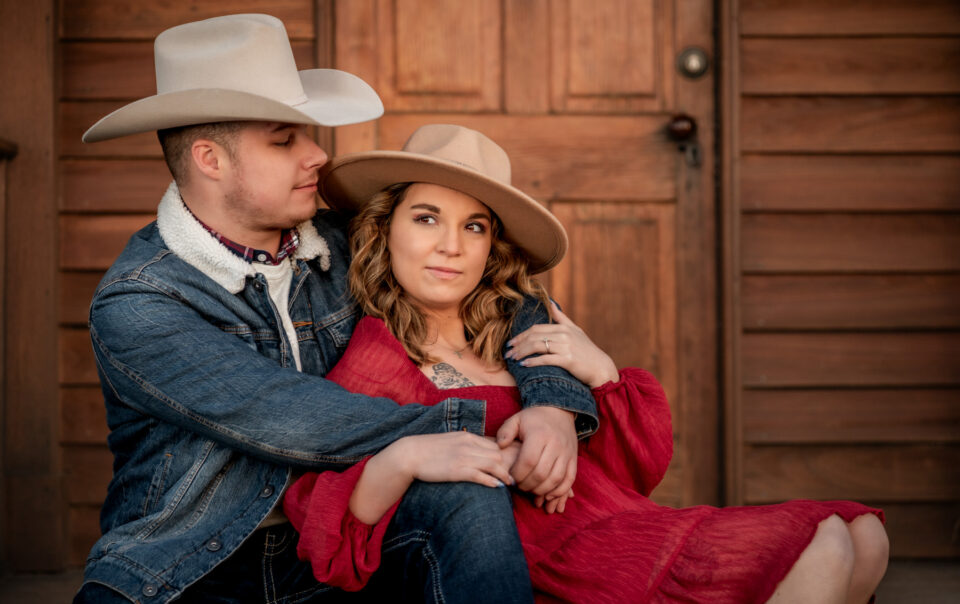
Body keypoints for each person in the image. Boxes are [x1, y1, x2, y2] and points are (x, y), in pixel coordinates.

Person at [74, 15, 599, 604]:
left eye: (307, 133)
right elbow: (288, 414)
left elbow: (507, 290)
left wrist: (553, 402)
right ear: (210, 159)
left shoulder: (346, 243)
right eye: (284, 139)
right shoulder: (141, 301)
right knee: (459, 458)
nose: (317, 154)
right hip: (190, 564)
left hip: (345, 539)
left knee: (465, 483)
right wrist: (474, 430)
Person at [282, 124, 890, 603]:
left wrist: (601, 372)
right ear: (384, 231)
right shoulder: (374, 359)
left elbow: (632, 471)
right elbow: (329, 535)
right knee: (826, 546)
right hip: (556, 562)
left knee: (865, 536)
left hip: (623, 523)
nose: (451, 245)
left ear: (492, 248)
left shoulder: (526, 335)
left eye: (475, 227)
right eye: (426, 218)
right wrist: (404, 456)